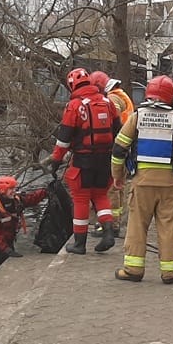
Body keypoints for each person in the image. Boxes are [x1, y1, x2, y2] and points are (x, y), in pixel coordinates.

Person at [111, 74, 173, 284]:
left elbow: (119, 149)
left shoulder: (137, 117)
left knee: (137, 226)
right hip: (169, 185)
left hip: (141, 184)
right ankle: (170, 273)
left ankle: (133, 269)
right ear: (172, 96)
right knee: (167, 226)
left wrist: (118, 175)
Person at [47, 67, 119, 254]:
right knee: (100, 195)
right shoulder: (107, 102)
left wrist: (56, 160)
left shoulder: (74, 106)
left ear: (72, 86)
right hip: (105, 159)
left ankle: (79, 243)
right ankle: (109, 233)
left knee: (80, 199)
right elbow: (118, 131)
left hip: (83, 159)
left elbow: (63, 138)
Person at [0, 175, 48, 277]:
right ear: (2, 190)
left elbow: (31, 199)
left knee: (6, 274)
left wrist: (45, 191)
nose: (14, 191)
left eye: (14, 188)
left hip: (7, 244)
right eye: (11, 189)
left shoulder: (15, 200)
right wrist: (6, 249)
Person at [89, 70, 134, 230]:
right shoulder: (120, 95)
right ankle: (115, 220)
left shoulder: (113, 99)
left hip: (116, 146)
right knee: (118, 185)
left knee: (110, 188)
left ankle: (111, 224)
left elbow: (107, 121)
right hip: (124, 146)